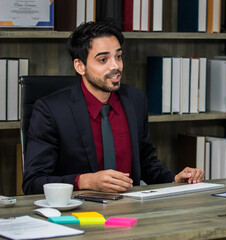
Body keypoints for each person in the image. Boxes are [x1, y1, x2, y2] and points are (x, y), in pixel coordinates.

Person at [23, 22, 204, 195]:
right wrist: (86, 181)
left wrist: (173, 180)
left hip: (131, 210)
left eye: (118, 56)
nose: (116, 66)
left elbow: (145, 162)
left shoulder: (135, 100)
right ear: (80, 66)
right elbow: (33, 182)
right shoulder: (51, 110)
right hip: (78, 214)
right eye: (103, 59)